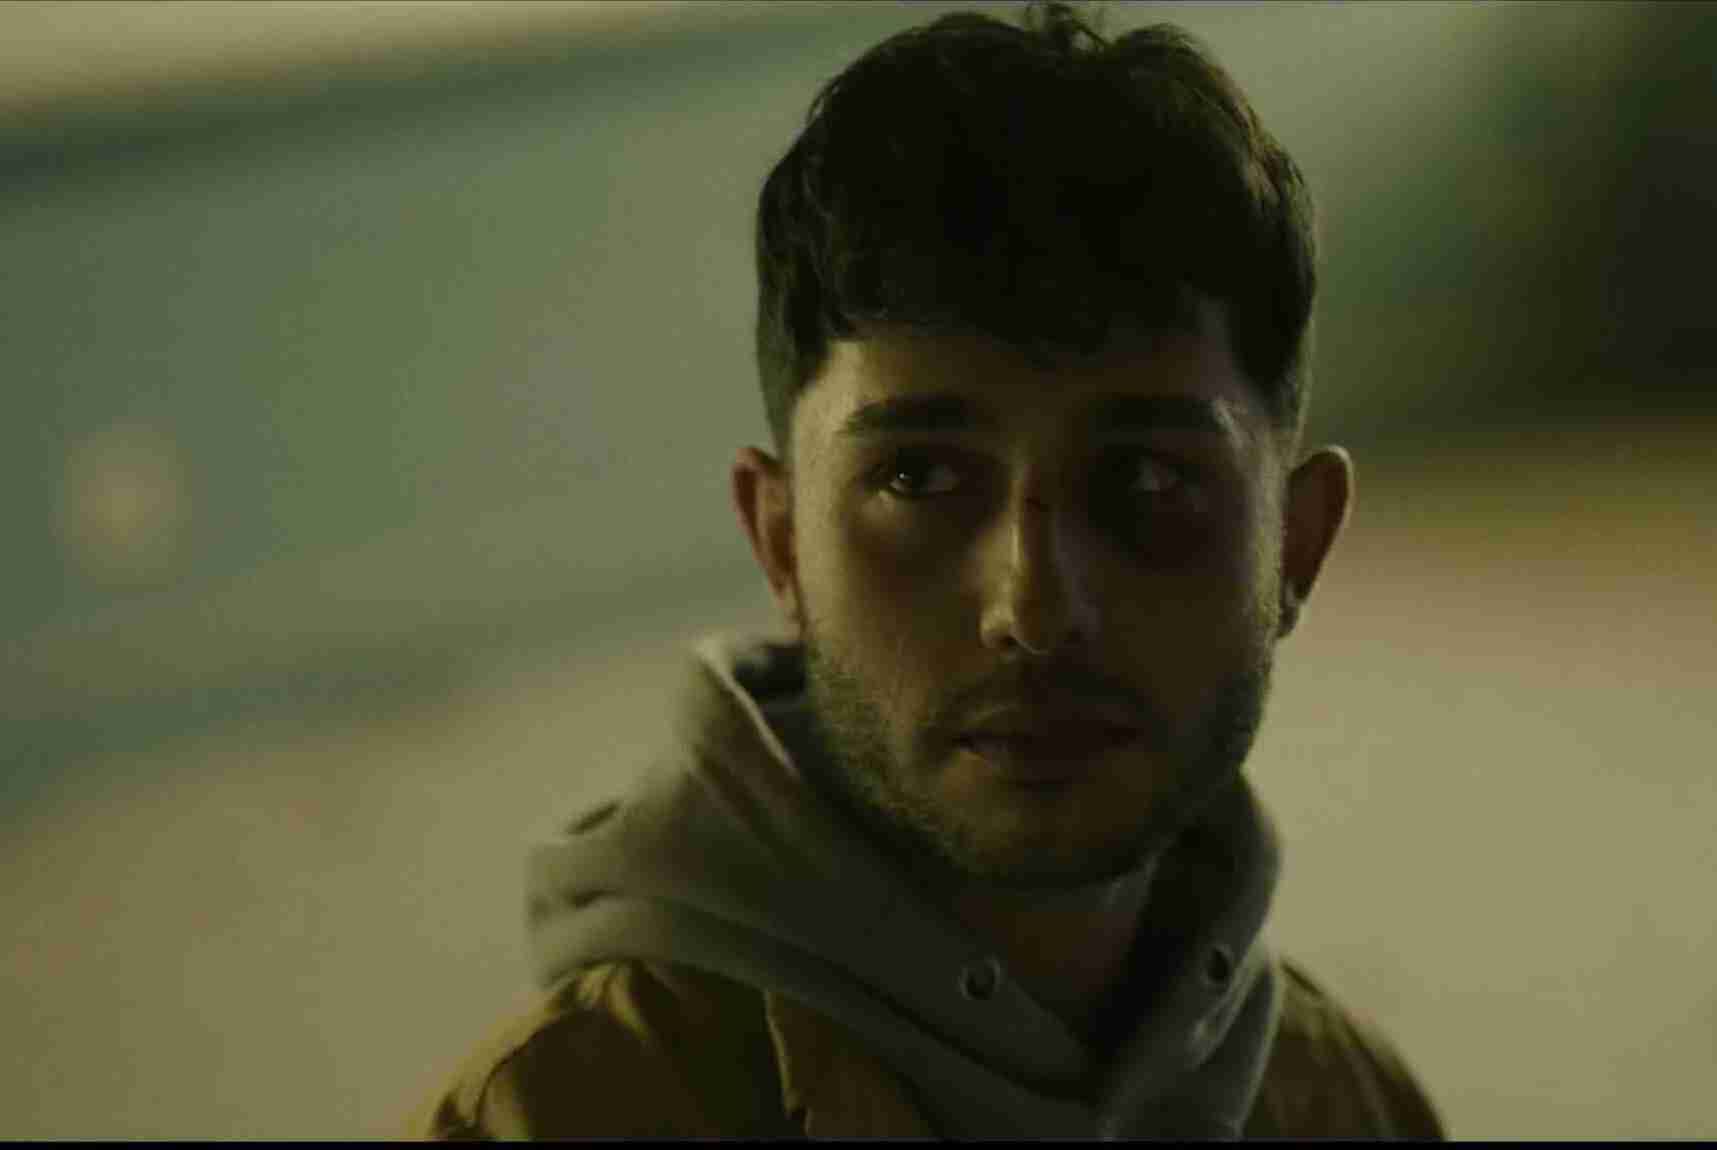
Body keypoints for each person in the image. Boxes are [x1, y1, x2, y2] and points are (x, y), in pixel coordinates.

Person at [409, 2, 1445, 1138]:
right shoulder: (555, 1120)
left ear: (1294, 546)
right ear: (781, 541)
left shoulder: (1353, 1108)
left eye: (1149, 481)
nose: (1033, 608)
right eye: (917, 479)